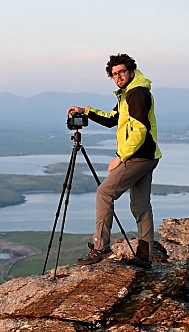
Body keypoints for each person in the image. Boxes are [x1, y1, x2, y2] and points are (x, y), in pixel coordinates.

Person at [68, 53, 162, 268]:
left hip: (138, 156)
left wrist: (121, 157)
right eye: (114, 75)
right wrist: (86, 111)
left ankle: (100, 248)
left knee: (105, 192)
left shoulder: (137, 94)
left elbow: (139, 130)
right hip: (147, 156)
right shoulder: (129, 93)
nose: (118, 77)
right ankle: (145, 256)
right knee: (140, 205)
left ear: (130, 71)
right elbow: (112, 120)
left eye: (121, 72)